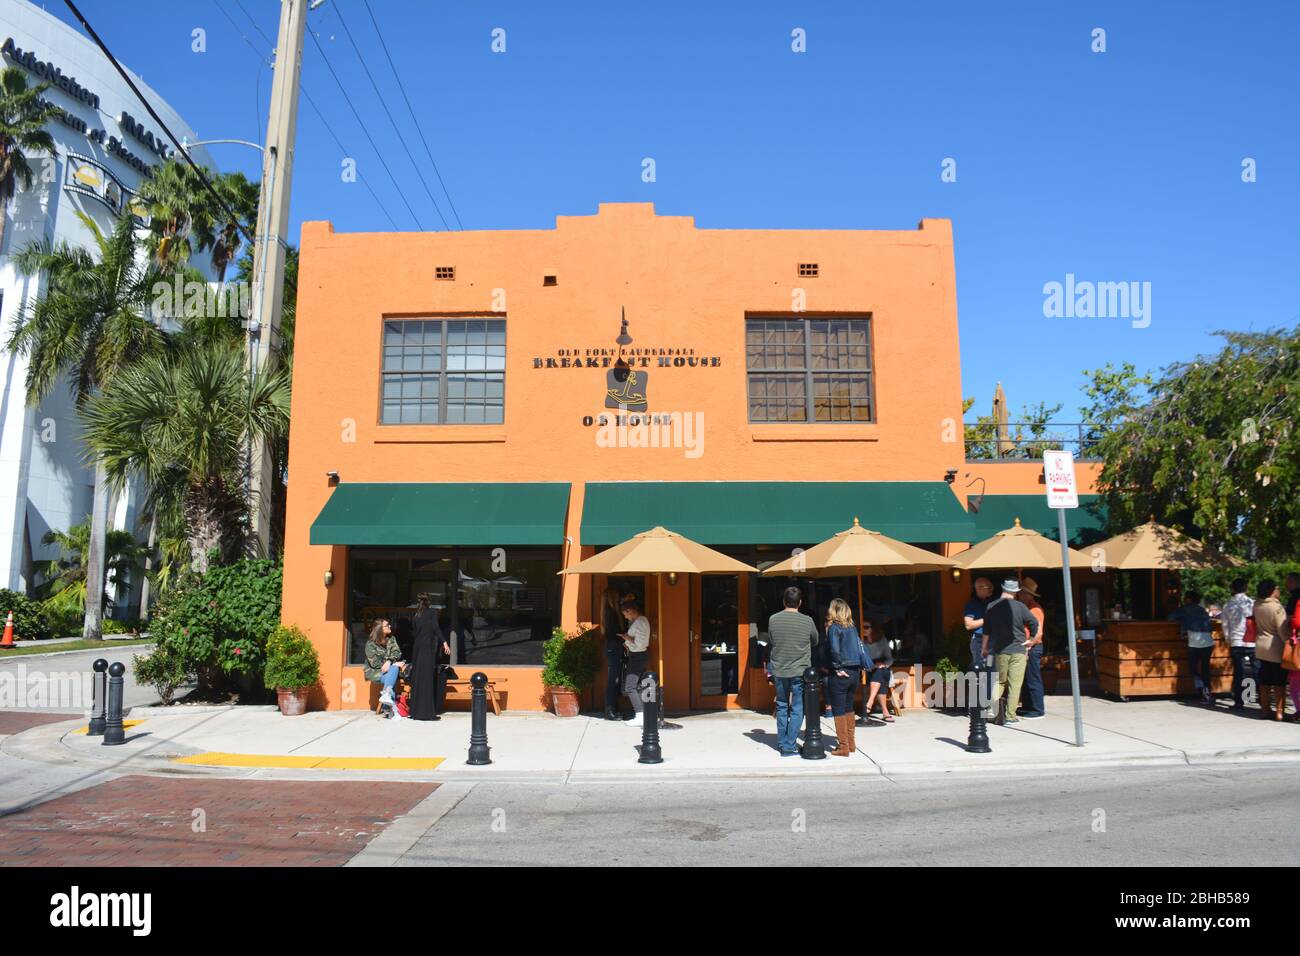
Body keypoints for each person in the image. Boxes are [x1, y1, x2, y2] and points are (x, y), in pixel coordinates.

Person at [767, 586, 820, 756]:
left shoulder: (773, 619)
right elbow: (815, 640)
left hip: (779, 669)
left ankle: (783, 743)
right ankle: (790, 744)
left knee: (782, 705)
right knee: (798, 708)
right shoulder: (807, 620)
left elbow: (772, 639)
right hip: (799, 670)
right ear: (800, 603)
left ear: (784, 601)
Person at [981, 578, 1039, 725]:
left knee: (999, 682)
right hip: (1018, 650)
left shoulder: (991, 606)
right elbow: (1034, 622)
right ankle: (1010, 716)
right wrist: (1031, 640)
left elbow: (986, 630)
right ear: (1016, 592)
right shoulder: (1020, 607)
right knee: (1015, 684)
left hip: (1000, 650)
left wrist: (984, 648)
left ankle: (990, 711)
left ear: (1003, 589)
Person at [825, 599, 867, 756]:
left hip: (841, 673)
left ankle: (843, 746)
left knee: (838, 710)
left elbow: (834, 651)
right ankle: (851, 744)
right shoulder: (852, 628)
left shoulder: (834, 628)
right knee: (849, 707)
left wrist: (836, 667)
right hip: (855, 673)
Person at [1169, 590, 1215, 705]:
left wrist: (1182, 620)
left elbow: (1170, 617)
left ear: (1189, 599)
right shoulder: (1202, 609)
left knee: (1192, 668)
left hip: (1195, 642)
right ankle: (1207, 692)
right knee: (1205, 668)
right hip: (1208, 641)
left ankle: (1202, 691)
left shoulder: (1185, 609)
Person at [409, 593, 450, 721]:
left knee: (417, 678)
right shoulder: (432, 612)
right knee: (427, 679)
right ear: (429, 602)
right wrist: (444, 642)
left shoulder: (416, 615)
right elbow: (436, 628)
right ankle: (426, 713)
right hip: (427, 648)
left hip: (417, 648)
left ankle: (415, 711)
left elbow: (414, 632)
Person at [1252, 580, 1289, 721]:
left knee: (1265, 679)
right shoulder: (1276, 607)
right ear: (1272, 591)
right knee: (1279, 680)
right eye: (1277, 588)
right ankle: (1280, 711)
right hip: (1275, 646)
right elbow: (1282, 630)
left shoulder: (1257, 604)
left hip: (1261, 645)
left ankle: (1265, 709)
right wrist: (1288, 642)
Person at [1220, 578, 1255, 710]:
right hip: (1252, 642)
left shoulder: (1228, 605)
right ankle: (1262, 701)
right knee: (1257, 671)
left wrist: (1229, 639)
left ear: (1232, 589)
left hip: (1236, 642)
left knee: (1238, 672)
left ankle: (1239, 702)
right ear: (1246, 588)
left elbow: (1225, 625)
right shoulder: (1252, 603)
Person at [964, 576, 996, 716]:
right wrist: (987, 619)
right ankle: (975, 707)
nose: (990, 589)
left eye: (991, 587)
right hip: (979, 641)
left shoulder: (995, 602)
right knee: (978, 672)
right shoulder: (972, 604)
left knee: (991, 673)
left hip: (993, 641)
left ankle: (987, 705)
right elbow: (968, 624)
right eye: (986, 587)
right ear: (977, 589)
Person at [1017, 577, 1047, 718]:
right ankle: (1028, 706)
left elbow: (1038, 632)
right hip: (1029, 646)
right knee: (1027, 678)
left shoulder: (1035, 609)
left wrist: (1029, 644)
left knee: (1033, 678)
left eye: (1023, 593)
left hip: (1032, 647)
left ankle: (1037, 709)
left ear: (1029, 595)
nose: (1020, 595)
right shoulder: (1027, 608)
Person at [363, 619, 405, 720]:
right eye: (387, 625)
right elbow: (375, 664)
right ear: (380, 629)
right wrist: (393, 663)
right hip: (375, 672)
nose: (390, 626)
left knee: (393, 671)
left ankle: (387, 699)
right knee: (394, 670)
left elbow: (397, 653)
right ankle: (388, 706)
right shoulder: (370, 644)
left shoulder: (392, 639)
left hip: (389, 670)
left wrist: (390, 661)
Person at [620, 601, 652, 726]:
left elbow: (640, 644)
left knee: (630, 686)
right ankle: (642, 714)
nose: (625, 617)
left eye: (625, 614)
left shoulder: (640, 622)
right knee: (636, 686)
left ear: (630, 610)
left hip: (638, 656)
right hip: (637, 656)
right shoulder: (640, 621)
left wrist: (627, 638)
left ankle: (640, 716)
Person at [861, 617, 894, 723]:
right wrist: (871, 666)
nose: (863, 629)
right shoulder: (860, 642)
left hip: (882, 668)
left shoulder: (882, 640)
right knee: (880, 679)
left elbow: (890, 658)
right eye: (862, 627)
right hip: (867, 670)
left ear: (873, 628)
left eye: (866, 627)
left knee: (880, 672)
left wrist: (883, 664)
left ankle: (870, 701)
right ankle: (885, 712)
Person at [601, 588, 626, 721]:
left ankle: (613, 709)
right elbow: (613, 633)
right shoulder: (611, 613)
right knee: (613, 680)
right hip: (614, 648)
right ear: (611, 597)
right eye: (616, 595)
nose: (618, 597)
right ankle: (609, 710)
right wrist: (624, 637)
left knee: (615, 680)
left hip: (613, 647)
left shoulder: (609, 612)